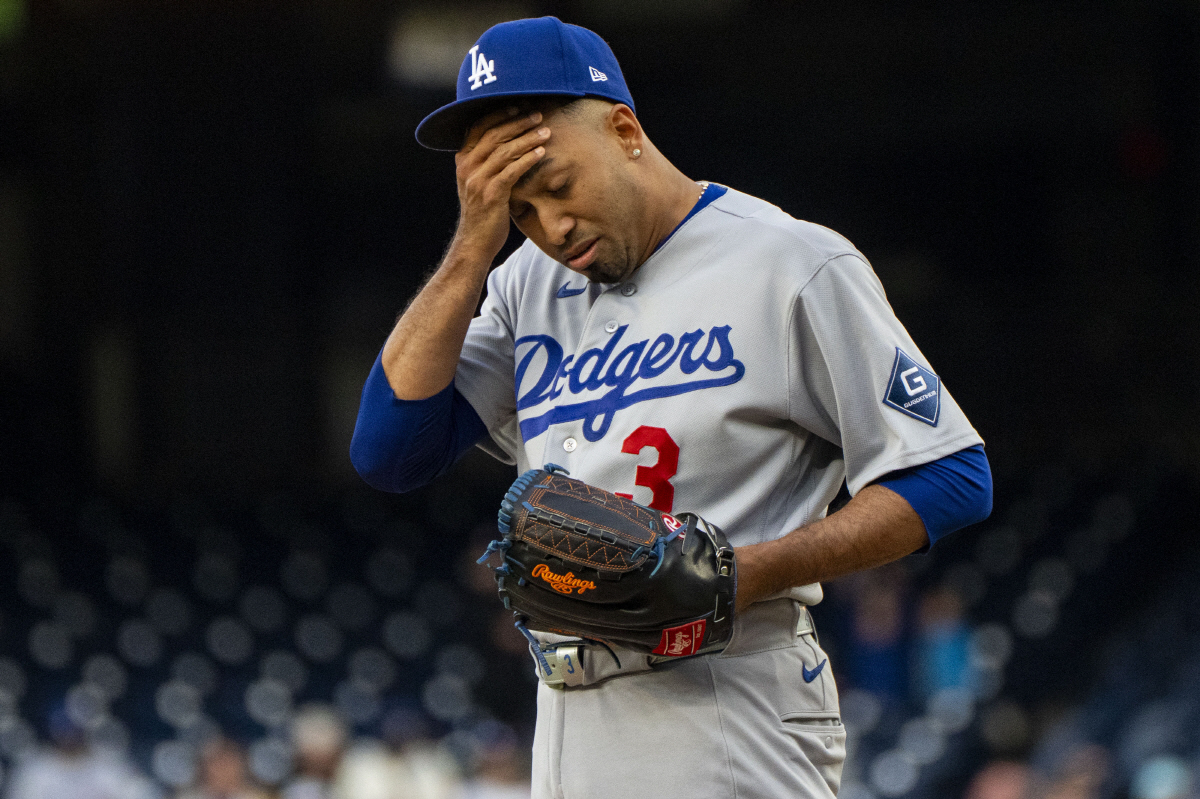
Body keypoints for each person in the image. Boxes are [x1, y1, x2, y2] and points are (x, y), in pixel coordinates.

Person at [350, 16, 992, 799]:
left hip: (726, 692)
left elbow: (953, 474)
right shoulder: (525, 285)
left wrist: (744, 572)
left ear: (624, 130)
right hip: (566, 709)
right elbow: (390, 450)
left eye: (557, 187)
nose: (552, 228)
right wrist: (473, 246)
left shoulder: (789, 261)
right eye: (520, 210)